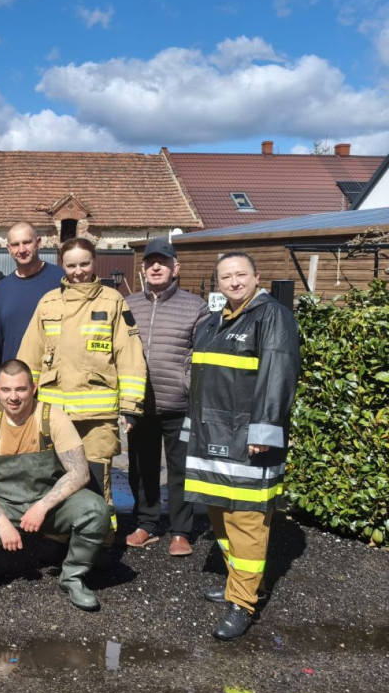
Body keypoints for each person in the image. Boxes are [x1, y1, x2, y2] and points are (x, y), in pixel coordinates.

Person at [184, 252, 300, 641]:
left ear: (256, 277)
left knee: (246, 520)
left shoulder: (272, 317)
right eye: (226, 277)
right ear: (217, 283)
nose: (234, 282)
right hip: (213, 435)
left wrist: (263, 432)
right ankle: (241, 584)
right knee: (219, 515)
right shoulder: (214, 321)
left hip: (247, 439)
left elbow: (278, 376)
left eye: (241, 275)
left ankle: (243, 604)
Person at [0, 360, 110, 611]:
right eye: (7, 390)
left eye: (21, 389)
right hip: (5, 505)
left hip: (51, 504)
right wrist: (1, 522)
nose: (14, 397)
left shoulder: (52, 417)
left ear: (33, 388)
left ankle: (73, 577)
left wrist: (42, 507)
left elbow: (79, 472)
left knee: (96, 510)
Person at [16, 237, 146, 552]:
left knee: (96, 477)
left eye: (84, 264)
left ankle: (100, 542)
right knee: (56, 475)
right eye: (71, 265)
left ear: (94, 263)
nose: (78, 271)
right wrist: (22, 404)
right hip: (55, 414)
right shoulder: (48, 303)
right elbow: (29, 357)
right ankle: (57, 538)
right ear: (63, 265)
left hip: (97, 417)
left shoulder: (113, 301)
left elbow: (130, 356)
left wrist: (130, 407)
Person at [124, 238, 209, 556]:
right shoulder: (129, 305)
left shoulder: (195, 306)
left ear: (176, 268)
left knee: (180, 468)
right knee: (142, 467)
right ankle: (146, 523)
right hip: (140, 404)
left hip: (178, 405)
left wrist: (188, 387)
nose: (155, 266)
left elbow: (199, 356)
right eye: (150, 262)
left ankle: (180, 531)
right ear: (143, 269)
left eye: (162, 261)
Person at [0, 222, 65, 364]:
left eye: (27, 242)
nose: (22, 249)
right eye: (15, 244)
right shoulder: (1, 291)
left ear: (38, 243)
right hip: (16, 379)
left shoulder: (61, 279)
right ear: (8, 249)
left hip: (53, 376)